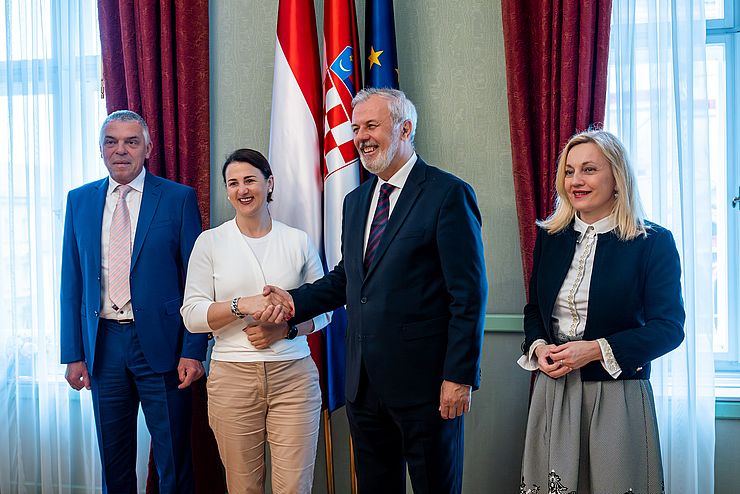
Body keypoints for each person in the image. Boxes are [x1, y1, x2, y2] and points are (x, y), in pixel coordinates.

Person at [265, 87, 487, 494]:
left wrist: (459, 376)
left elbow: (469, 296)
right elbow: (349, 280)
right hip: (363, 385)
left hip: (427, 389)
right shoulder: (356, 200)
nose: (361, 136)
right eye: (355, 128)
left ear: (405, 128)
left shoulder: (447, 194)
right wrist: (295, 302)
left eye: (371, 125)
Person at [517, 129, 685, 494]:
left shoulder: (653, 242)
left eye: (589, 169)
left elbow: (669, 328)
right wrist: (540, 347)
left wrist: (594, 349)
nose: (576, 180)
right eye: (569, 170)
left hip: (617, 397)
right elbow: (534, 311)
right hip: (553, 392)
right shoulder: (550, 237)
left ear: (616, 178)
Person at [60, 110, 208, 493]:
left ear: (148, 149)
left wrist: (193, 350)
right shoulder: (79, 202)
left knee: (174, 459)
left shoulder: (177, 199)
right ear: (101, 150)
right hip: (103, 347)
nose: (121, 150)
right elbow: (71, 283)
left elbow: (198, 280)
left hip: (162, 347)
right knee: (114, 462)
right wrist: (73, 354)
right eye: (112, 141)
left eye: (131, 142)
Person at [180, 148, 330, 494]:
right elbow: (191, 317)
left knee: (294, 487)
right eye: (233, 183)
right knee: (243, 487)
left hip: (293, 378)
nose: (242, 190)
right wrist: (239, 305)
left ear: (269, 183)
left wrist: (287, 329)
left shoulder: (297, 240)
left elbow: (325, 311)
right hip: (232, 379)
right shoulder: (210, 242)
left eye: (250, 180)